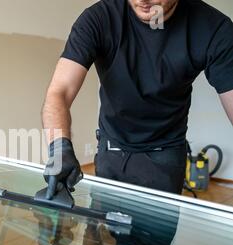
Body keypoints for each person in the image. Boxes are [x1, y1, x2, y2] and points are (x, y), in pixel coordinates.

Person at [42, 0, 233, 199]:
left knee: (156, 229)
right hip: (112, 148)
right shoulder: (99, 18)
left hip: (166, 154)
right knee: (103, 228)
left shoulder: (214, 28)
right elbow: (59, 93)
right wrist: (59, 149)